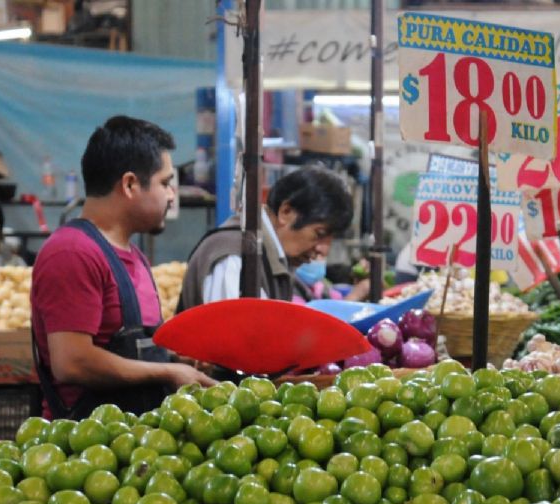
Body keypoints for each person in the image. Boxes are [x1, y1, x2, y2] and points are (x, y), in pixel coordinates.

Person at [30, 115, 216, 420]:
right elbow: (72, 361)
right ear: (130, 184)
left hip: (135, 443)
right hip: (86, 449)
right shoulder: (73, 252)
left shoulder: (133, 255)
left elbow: (125, 347)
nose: (172, 195)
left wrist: (171, 358)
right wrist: (167, 372)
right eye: (166, 183)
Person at [177, 165, 353, 310]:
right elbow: (229, 344)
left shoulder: (274, 258)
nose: (323, 250)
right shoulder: (237, 256)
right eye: (319, 234)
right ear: (286, 212)